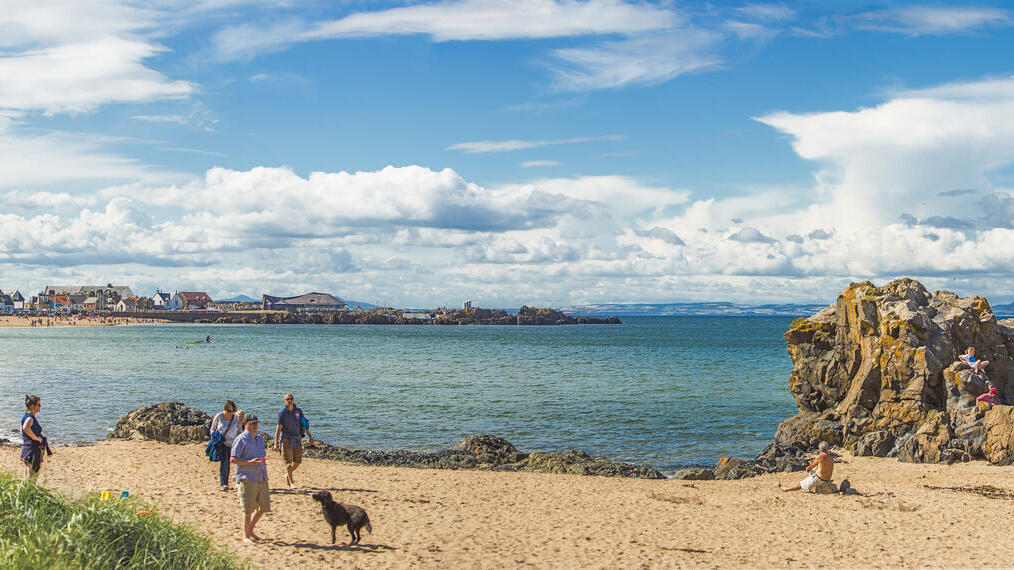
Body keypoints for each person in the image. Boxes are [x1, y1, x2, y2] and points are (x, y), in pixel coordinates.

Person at [231, 414, 269, 543]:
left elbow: (262, 455)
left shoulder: (259, 439)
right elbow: (233, 459)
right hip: (247, 477)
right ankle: (246, 536)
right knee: (248, 509)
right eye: (252, 424)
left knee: (263, 507)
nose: (254, 426)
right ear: (246, 424)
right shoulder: (241, 439)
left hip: (261, 476)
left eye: (256, 424)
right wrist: (249, 462)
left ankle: (250, 530)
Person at [274, 393, 312, 489]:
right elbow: (278, 429)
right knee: (288, 462)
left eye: (291, 398)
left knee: (297, 461)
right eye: (287, 399)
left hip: (297, 439)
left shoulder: (298, 411)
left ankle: (287, 475)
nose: (290, 400)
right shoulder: (282, 413)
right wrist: (276, 443)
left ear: (293, 400)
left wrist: (310, 437)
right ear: (284, 401)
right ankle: (291, 482)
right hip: (286, 439)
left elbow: (304, 424)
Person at [210, 400, 244, 490]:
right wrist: (215, 437)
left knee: (237, 462)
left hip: (234, 444)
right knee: (224, 463)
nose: (230, 413)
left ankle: (238, 481)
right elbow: (212, 429)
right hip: (223, 443)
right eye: (228, 411)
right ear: (224, 409)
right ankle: (224, 483)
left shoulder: (236, 418)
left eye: (232, 411)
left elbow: (240, 431)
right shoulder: (219, 416)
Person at [20, 395, 52, 481]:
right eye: (38, 404)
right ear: (32, 406)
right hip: (33, 449)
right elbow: (26, 428)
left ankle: (27, 492)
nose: (40, 406)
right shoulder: (30, 418)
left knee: (29, 473)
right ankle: (29, 493)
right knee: (32, 474)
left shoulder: (26, 416)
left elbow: (24, 430)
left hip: (28, 448)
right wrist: (36, 438)